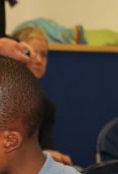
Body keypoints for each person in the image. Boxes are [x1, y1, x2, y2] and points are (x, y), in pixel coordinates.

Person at [12, 26, 72, 165]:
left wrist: (48, 155)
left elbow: (46, 148)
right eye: (31, 53)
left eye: (44, 55)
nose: (39, 60)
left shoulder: (47, 106)